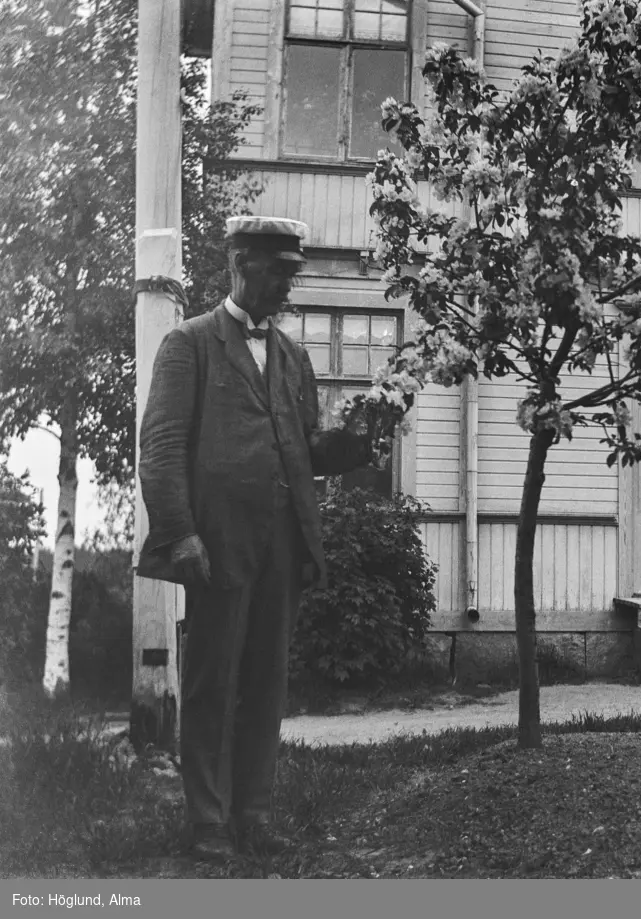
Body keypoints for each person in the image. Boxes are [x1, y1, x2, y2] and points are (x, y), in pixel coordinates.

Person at [137, 216, 371, 860]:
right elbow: (159, 446)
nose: (288, 289)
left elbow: (305, 450)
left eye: (294, 276)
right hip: (217, 544)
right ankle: (208, 821)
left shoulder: (295, 357)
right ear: (240, 265)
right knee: (214, 679)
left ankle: (254, 814)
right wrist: (180, 532)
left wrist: (359, 438)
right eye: (278, 274)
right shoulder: (190, 344)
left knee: (267, 680)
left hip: (283, 545)